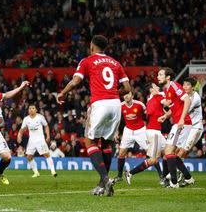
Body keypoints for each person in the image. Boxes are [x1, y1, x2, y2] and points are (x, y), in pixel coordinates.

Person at [56, 35, 131, 196]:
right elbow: (127, 87)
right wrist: (113, 93)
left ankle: (105, 179)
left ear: (92, 46)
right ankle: (102, 184)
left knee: (90, 141)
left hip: (100, 103)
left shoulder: (87, 61)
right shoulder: (116, 63)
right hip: (116, 104)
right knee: (105, 144)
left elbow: (75, 81)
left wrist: (62, 93)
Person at [157, 67, 193, 188]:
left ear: (168, 77)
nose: (158, 77)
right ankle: (188, 178)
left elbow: (187, 100)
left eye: (160, 74)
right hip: (179, 122)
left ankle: (173, 182)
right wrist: (165, 116)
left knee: (168, 151)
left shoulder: (174, 85)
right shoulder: (168, 89)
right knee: (171, 153)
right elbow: (175, 107)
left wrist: (182, 118)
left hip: (183, 123)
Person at [124, 83, 165, 185]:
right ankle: (130, 173)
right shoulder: (156, 97)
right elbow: (167, 101)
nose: (158, 86)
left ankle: (166, 176)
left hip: (155, 132)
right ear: (152, 89)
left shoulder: (151, 99)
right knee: (153, 160)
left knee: (169, 152)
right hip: (154, 132)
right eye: (155, 86)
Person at [175, 77, 203, 187]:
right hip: (189, 127)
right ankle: (181, 173)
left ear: (192, 87)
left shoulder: (195, 98)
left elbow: (184, 110)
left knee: (181, 153)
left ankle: (184, 176)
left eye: (187, 85)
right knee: (177, 152)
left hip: (196, 128)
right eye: (184, 84)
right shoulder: (186, 96)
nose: (184, 87)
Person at [114, 92, 148, 181]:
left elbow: (147, 115)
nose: (126, 96)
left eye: (128, 94)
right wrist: (116, 131)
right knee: (121, 153)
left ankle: (161, 175)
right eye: (124, 95)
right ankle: (119, 176)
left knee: (151, 153)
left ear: (132, 96)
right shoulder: (121, 106)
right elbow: (117, 119)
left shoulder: (140, 104)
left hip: (140, 130)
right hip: (128, 130)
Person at [18, 104, 57, 178]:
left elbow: (46, 126)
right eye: (30, 108)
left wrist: (48, 136)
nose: (31, 109)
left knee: (46, 154)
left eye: (33, 108)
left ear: (36, 110)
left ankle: (53, 171)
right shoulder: (26, 119)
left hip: (40, 139)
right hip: (31, 140)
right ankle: (36, 172)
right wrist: (19, 135)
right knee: (29, 157)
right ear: (28, 110)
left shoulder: (40, 117)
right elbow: (22, 129)